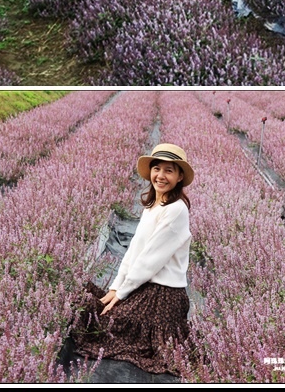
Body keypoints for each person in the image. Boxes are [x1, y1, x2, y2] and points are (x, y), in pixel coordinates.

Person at [71, 143, 194, 375]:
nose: (161, 175)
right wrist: (116, 287)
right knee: (93, 305)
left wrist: (122, 293)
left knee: (104, 326)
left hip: (163, 296)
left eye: (169, 170)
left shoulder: (176, 210)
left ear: (179, 177)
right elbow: (134, 251)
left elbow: (150, 260)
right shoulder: (154, 205)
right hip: (145, 286)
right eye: (157, 168)